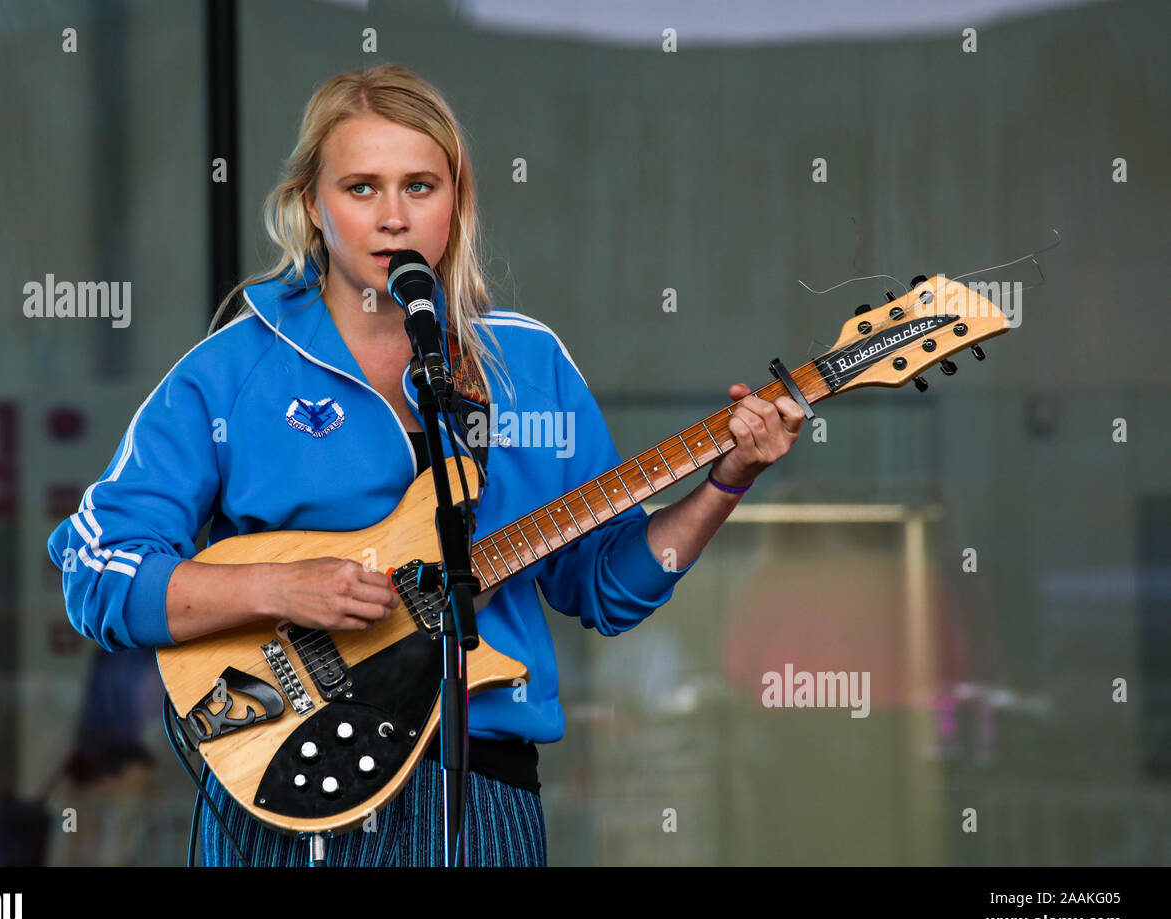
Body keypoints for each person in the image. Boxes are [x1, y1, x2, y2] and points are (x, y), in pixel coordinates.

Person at [46, 63, 805, 867]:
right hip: (284, 795)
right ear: (312, 204)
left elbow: (607, 587)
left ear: (457, 202)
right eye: (362, 188)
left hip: (483, 792)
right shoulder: (232, 370)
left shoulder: (528, 364)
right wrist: (280, 587)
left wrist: (727, 481)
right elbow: (100, 574)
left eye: (420, 186)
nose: (394, 218)